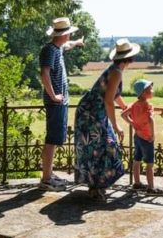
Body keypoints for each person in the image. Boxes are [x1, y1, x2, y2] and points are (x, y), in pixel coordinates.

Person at [74, 38, 140, 201]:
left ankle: (96, 187)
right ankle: (96, 188)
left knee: (98, 148)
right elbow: (108, 100)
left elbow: (113, 94)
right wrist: (117, 126)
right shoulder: (116, 71)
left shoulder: (115, 69)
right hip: (91, 114)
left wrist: (125, 107)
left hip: (90, 111)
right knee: (103, 146)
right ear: (129, 58)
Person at [38, 17, 85, 191]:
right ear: (64, 34)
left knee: (54, 139)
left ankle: (48, 175)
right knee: (52, 140)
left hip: (59, 102)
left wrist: (78, 42)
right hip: (55, 102)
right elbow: (44, 73)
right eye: (70, 33)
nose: (71, 35)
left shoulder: (57, 48)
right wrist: (53, 96)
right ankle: (46, 180)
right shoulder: (49, 51)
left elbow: (68, 45)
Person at [121, 78, 163, 195]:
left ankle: (137, 183)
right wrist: (153, 134)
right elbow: (150, 119)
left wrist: (132, 123)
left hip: (137, 136)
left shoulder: (134, 105)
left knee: (137, 160)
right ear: (144, 92)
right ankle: (150, 187)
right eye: (150, 89)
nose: (152, 91)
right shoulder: (148, 105)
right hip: (147, 137)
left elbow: (123, 114)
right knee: (149, 163)